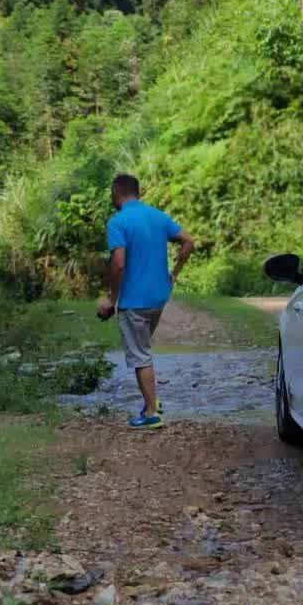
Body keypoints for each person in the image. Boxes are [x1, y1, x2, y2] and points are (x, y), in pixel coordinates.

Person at [98, 173, 194, 432]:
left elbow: (119, 264)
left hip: (134, 302)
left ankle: (152, 413)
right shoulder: (158, 216)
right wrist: (175, 273)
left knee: (140, 356)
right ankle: (152, 402)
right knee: (144, 349)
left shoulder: (118, 222)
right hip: (158, 298)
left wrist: (112, 301)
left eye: (111, 195)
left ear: (116, 193)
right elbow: (189, 241)